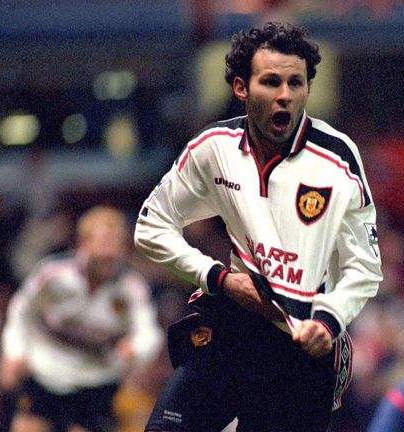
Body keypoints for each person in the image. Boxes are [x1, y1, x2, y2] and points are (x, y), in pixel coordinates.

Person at [134, 22, 382, 431]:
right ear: (241, 88)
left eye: (296, 83)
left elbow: (365, 266)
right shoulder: (212, 148)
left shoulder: (337, 158)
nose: (285, 95)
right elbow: (150, 228)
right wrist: (219, 278)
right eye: (271, 82)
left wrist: (331, 320)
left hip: (304, 346)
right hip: (233, 325)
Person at [0, 205, 164, 432]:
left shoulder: (131, 288)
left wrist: (137, 349)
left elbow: (149, 332)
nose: (109, 252)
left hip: (96, 381)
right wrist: (14, 352)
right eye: (103, 242)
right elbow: (21, 310)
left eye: (115, 243)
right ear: (83, 243)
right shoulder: (53, 274)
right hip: (46, 374)